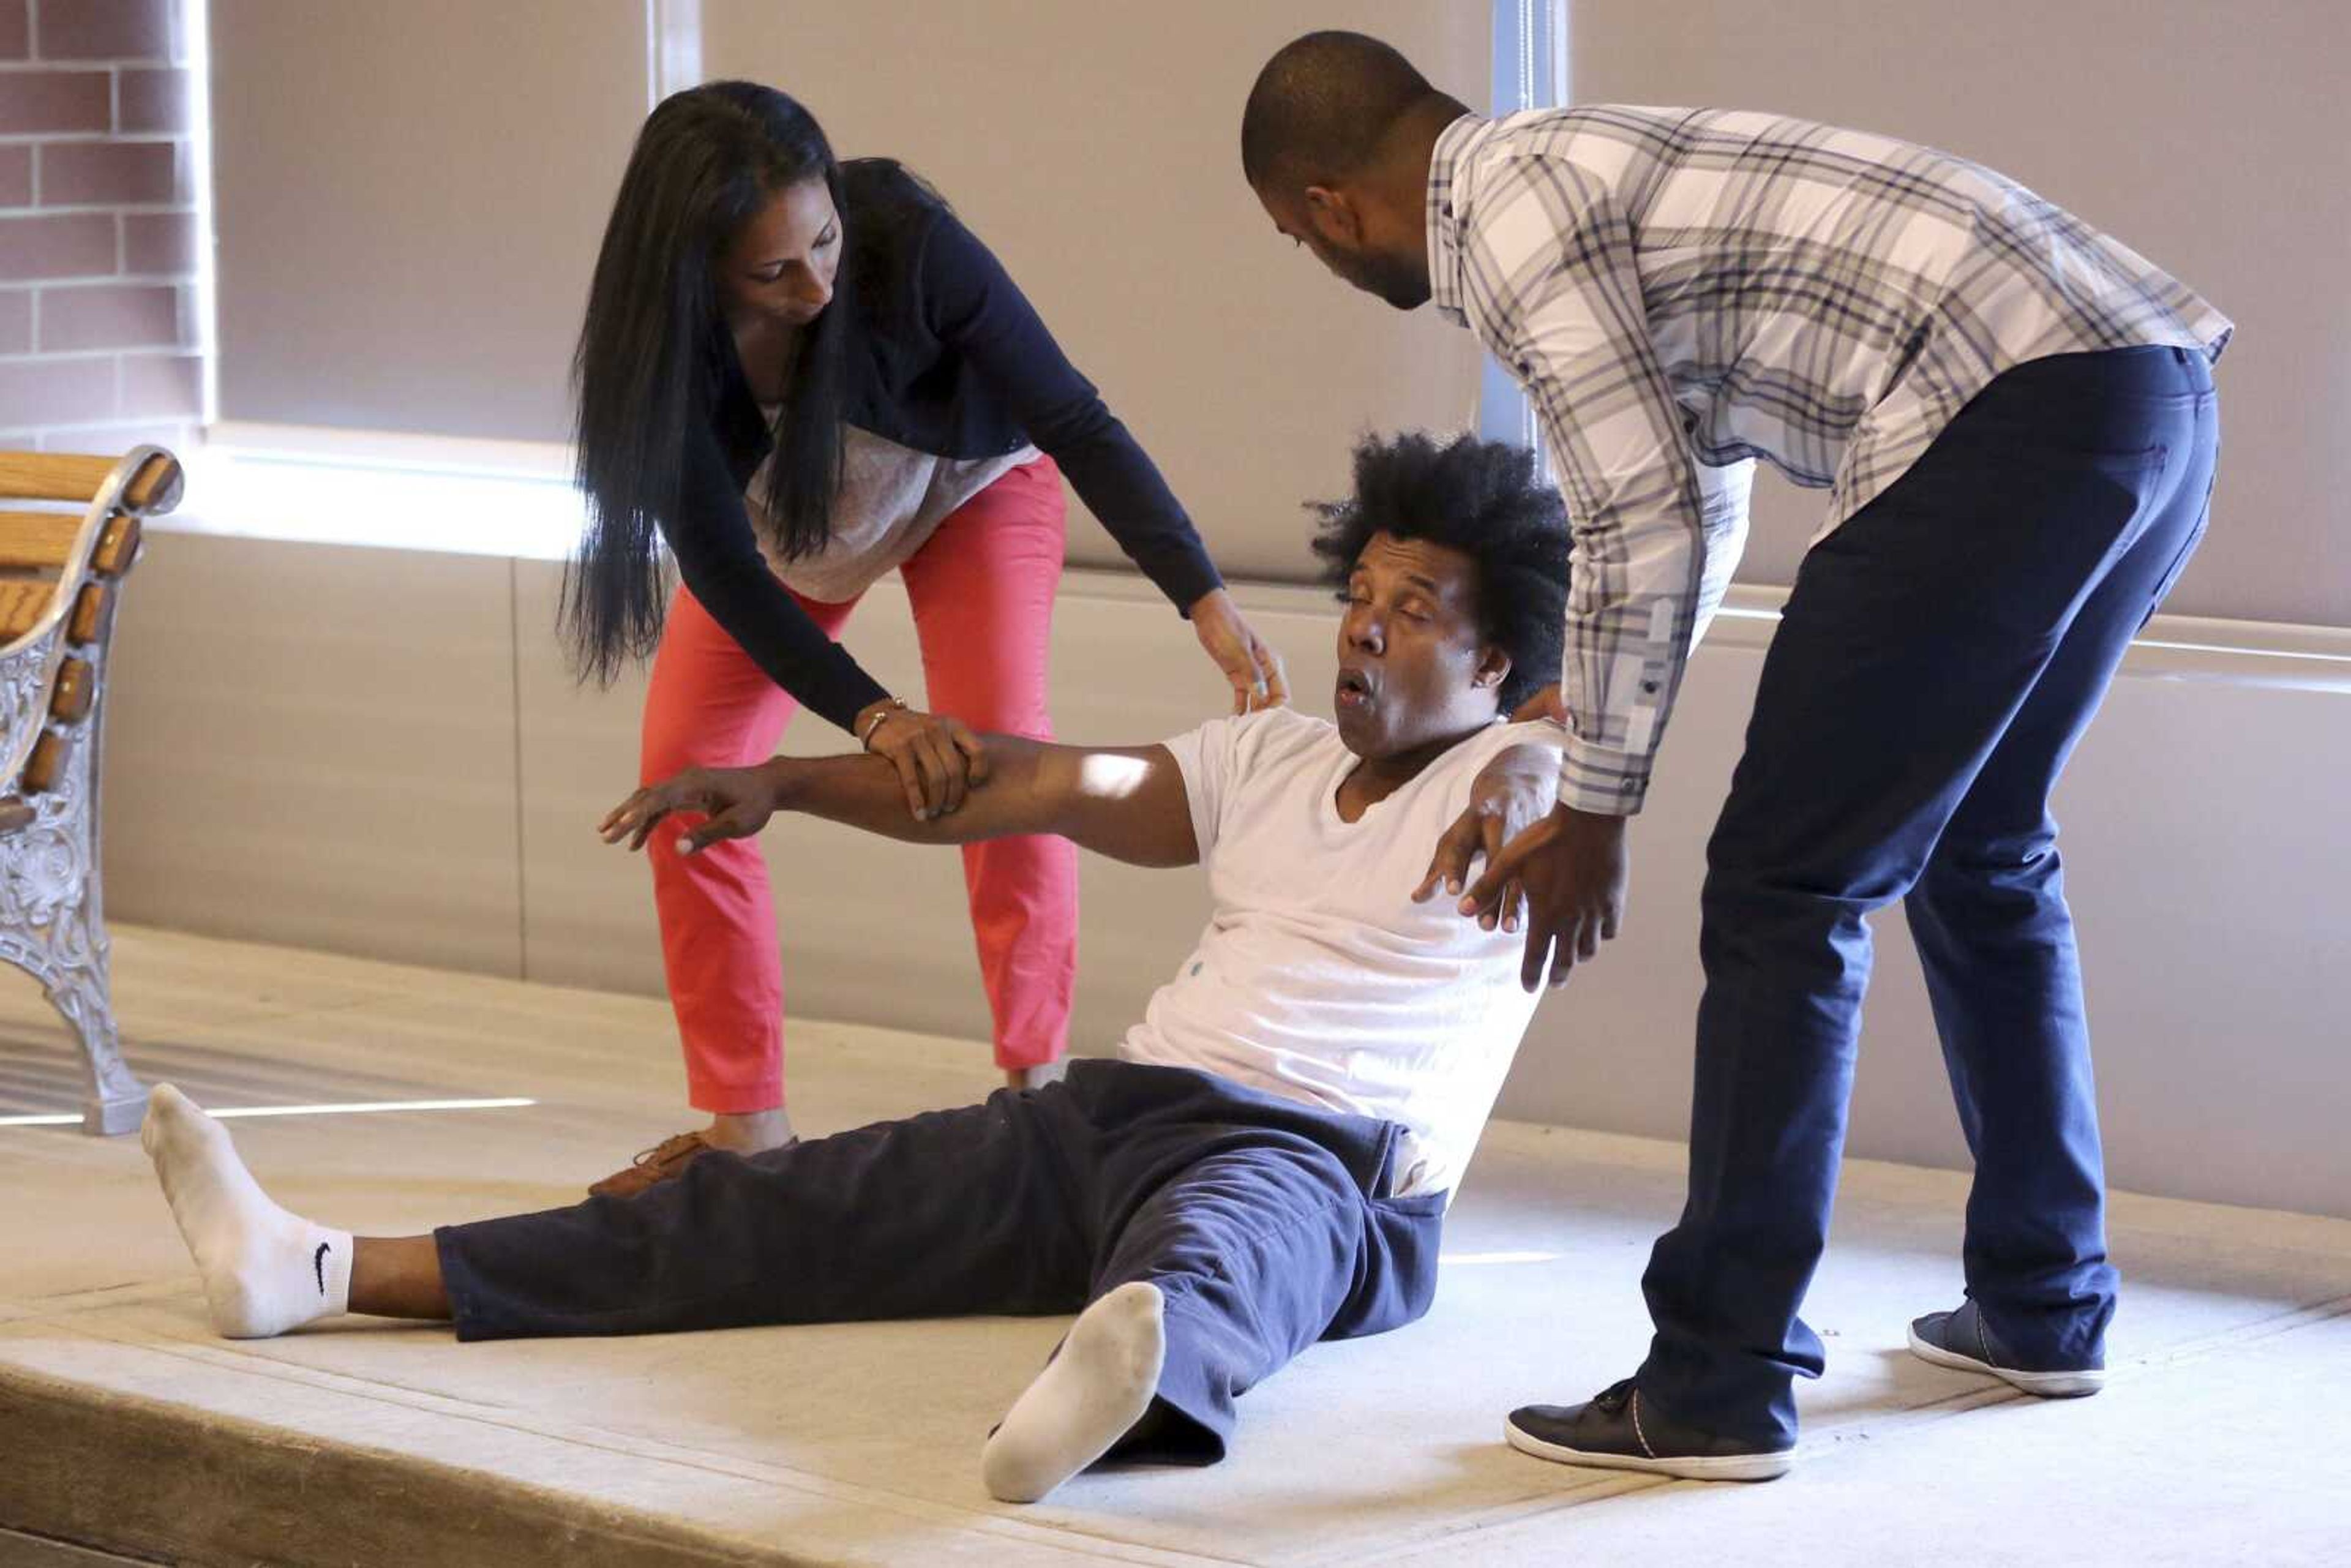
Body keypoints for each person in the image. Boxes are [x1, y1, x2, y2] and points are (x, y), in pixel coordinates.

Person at [144, 432, 1699, 1503]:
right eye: (1355, 598)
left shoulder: (1540, 786)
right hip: (1109, 1118)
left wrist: (1534, 753)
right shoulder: (1271, 756)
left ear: (1498, 664)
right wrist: (788, 783)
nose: (1361, 632)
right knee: (770, 1207)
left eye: (1410, 613)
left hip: (1326, 1160)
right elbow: (1025, 783)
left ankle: (1108, 1395)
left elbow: (1582, 745)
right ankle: (319, 1270)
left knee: (1229, 1256)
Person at [1241, 32, 2229, 1480]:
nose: (1314, 258)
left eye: (1295, 240)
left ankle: (1715, 1381)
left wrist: (1598, 811)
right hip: (2150, 395)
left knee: (1783, 892)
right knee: (1982, 844)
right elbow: (1693, 507)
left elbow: (1635, 517)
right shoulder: (1581, 168)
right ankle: (2043, 1303)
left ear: (1328, 205)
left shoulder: (1507, 230)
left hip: (2006, 413)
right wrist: (1573, 728)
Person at [564, 82, 1289, 1197]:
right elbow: (725, 572)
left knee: (1004, 757)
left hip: (969, 490)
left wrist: (1199, 592)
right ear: (696, 269)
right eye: (773, 272)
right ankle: (746, 1124)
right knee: (681, 781)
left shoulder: (906, 243)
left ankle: (1037, 1096)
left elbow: (1075, 417)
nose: (817, 281)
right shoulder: (661, 362)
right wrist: (875, 713)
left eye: (823, 239)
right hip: (785, 544)